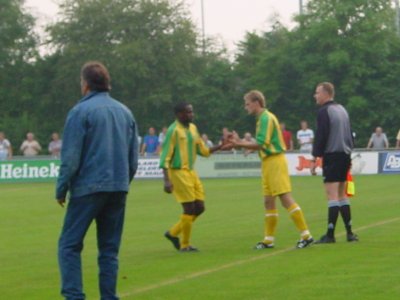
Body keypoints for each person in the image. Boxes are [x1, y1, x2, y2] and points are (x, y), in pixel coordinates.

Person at [56, 61, 138, 300]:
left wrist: (61, 188)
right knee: (109, 250)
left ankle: (74, 296)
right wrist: (123, 182)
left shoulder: (80, 112)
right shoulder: (125, 112)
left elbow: (70, 157)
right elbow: (133, 158)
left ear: (85, 85)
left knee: (69, 245)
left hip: (87, 188)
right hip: (118, 187)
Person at [228, 90, 314, 249]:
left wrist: (239, 144)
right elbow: (263, 143)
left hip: (275, 161)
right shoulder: (262, 118)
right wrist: (246, 145)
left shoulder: (266, 118)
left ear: (256, 102)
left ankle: (306, 235)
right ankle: (268, 240)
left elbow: (262, 143)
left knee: (285, 198)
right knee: (268, 201)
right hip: (268, 163)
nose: (245, 107)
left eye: (247, 104)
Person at [160, 102, 228, 252]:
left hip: (191, 172)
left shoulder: (193, 128)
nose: (191, 115)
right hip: (178, 172)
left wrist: (220, 146)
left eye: (192, 112)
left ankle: (172, 233)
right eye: (188, 112)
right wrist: (166, 180)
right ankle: (185, 245)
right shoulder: (173, 131)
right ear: (179, 114)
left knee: (200, 207)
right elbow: (165, 157)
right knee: (189, 208)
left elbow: (202, 151)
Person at [310, 82, 358, 244]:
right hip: (345, 155)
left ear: (325, 94)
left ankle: (330, 234)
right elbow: (351, 135)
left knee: (331, 195)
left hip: (332, 155)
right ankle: (350, 233)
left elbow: (321, 136)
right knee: (342, 194)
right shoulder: (342, 110)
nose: (315, 95)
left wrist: (314, 157)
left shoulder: (324, 111)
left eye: (317, 93)